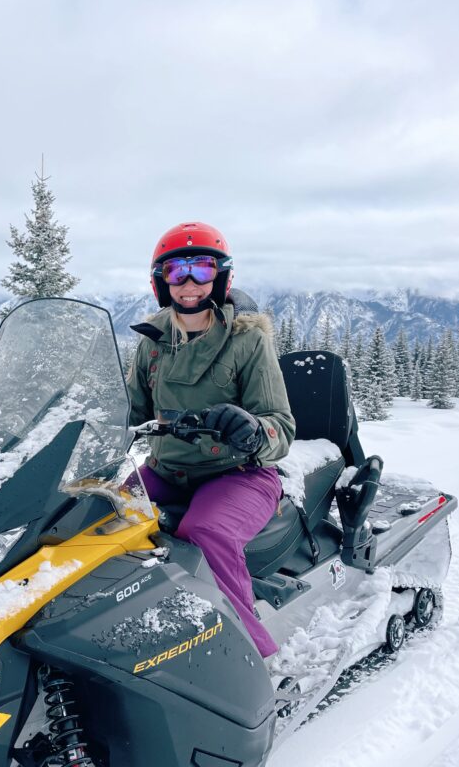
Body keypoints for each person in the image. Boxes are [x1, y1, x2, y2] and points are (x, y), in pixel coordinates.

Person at [126, 221, 295, 658]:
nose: (188, 283)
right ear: (160, 281)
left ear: (220, 277)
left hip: (238, 474)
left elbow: (281, 424)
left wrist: (255, 429)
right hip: (166, 470)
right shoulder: (153, 341)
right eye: (175, 271)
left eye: (200, 269)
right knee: (90, 512)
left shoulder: (247, 339)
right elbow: (131, 409)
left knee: (204, 531)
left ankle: (252, 657)